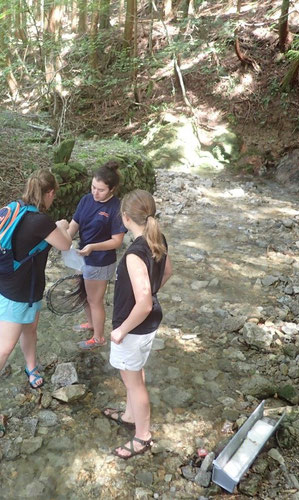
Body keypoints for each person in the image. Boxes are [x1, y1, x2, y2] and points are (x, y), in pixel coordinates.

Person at [0, 169, 71, 422]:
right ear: (50, 193)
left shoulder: (16, 208)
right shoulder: (41, 221)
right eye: (53, 195)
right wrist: (62, 227)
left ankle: (31, 367)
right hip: (15, 292)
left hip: (25, 288)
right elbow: (66, 244)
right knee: (4, 346)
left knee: (30, 330)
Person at [103, 189, 172, 459]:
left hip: (133, 326)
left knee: (133, 382)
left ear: (125, 218)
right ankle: (130, 415)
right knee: (135, 373)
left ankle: (142, 436)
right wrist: (152, 292)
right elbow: (167, 272)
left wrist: (121, 329)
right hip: (148, 323)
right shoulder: (158, 238)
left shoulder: (134, 253)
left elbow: (142, 303)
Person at [67, 161, 126, 350]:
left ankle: (98, 338)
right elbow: (74, 224)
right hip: (83, 256)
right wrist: (63, 239)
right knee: (85, 294)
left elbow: (117, 241)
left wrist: (93, 247)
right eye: (93, 187)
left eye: (100, 190)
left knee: (95, 300)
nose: (95, 192)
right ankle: (91, 324)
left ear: (112, 189)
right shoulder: (86, 199)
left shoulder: (116, 208)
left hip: (100, 260)